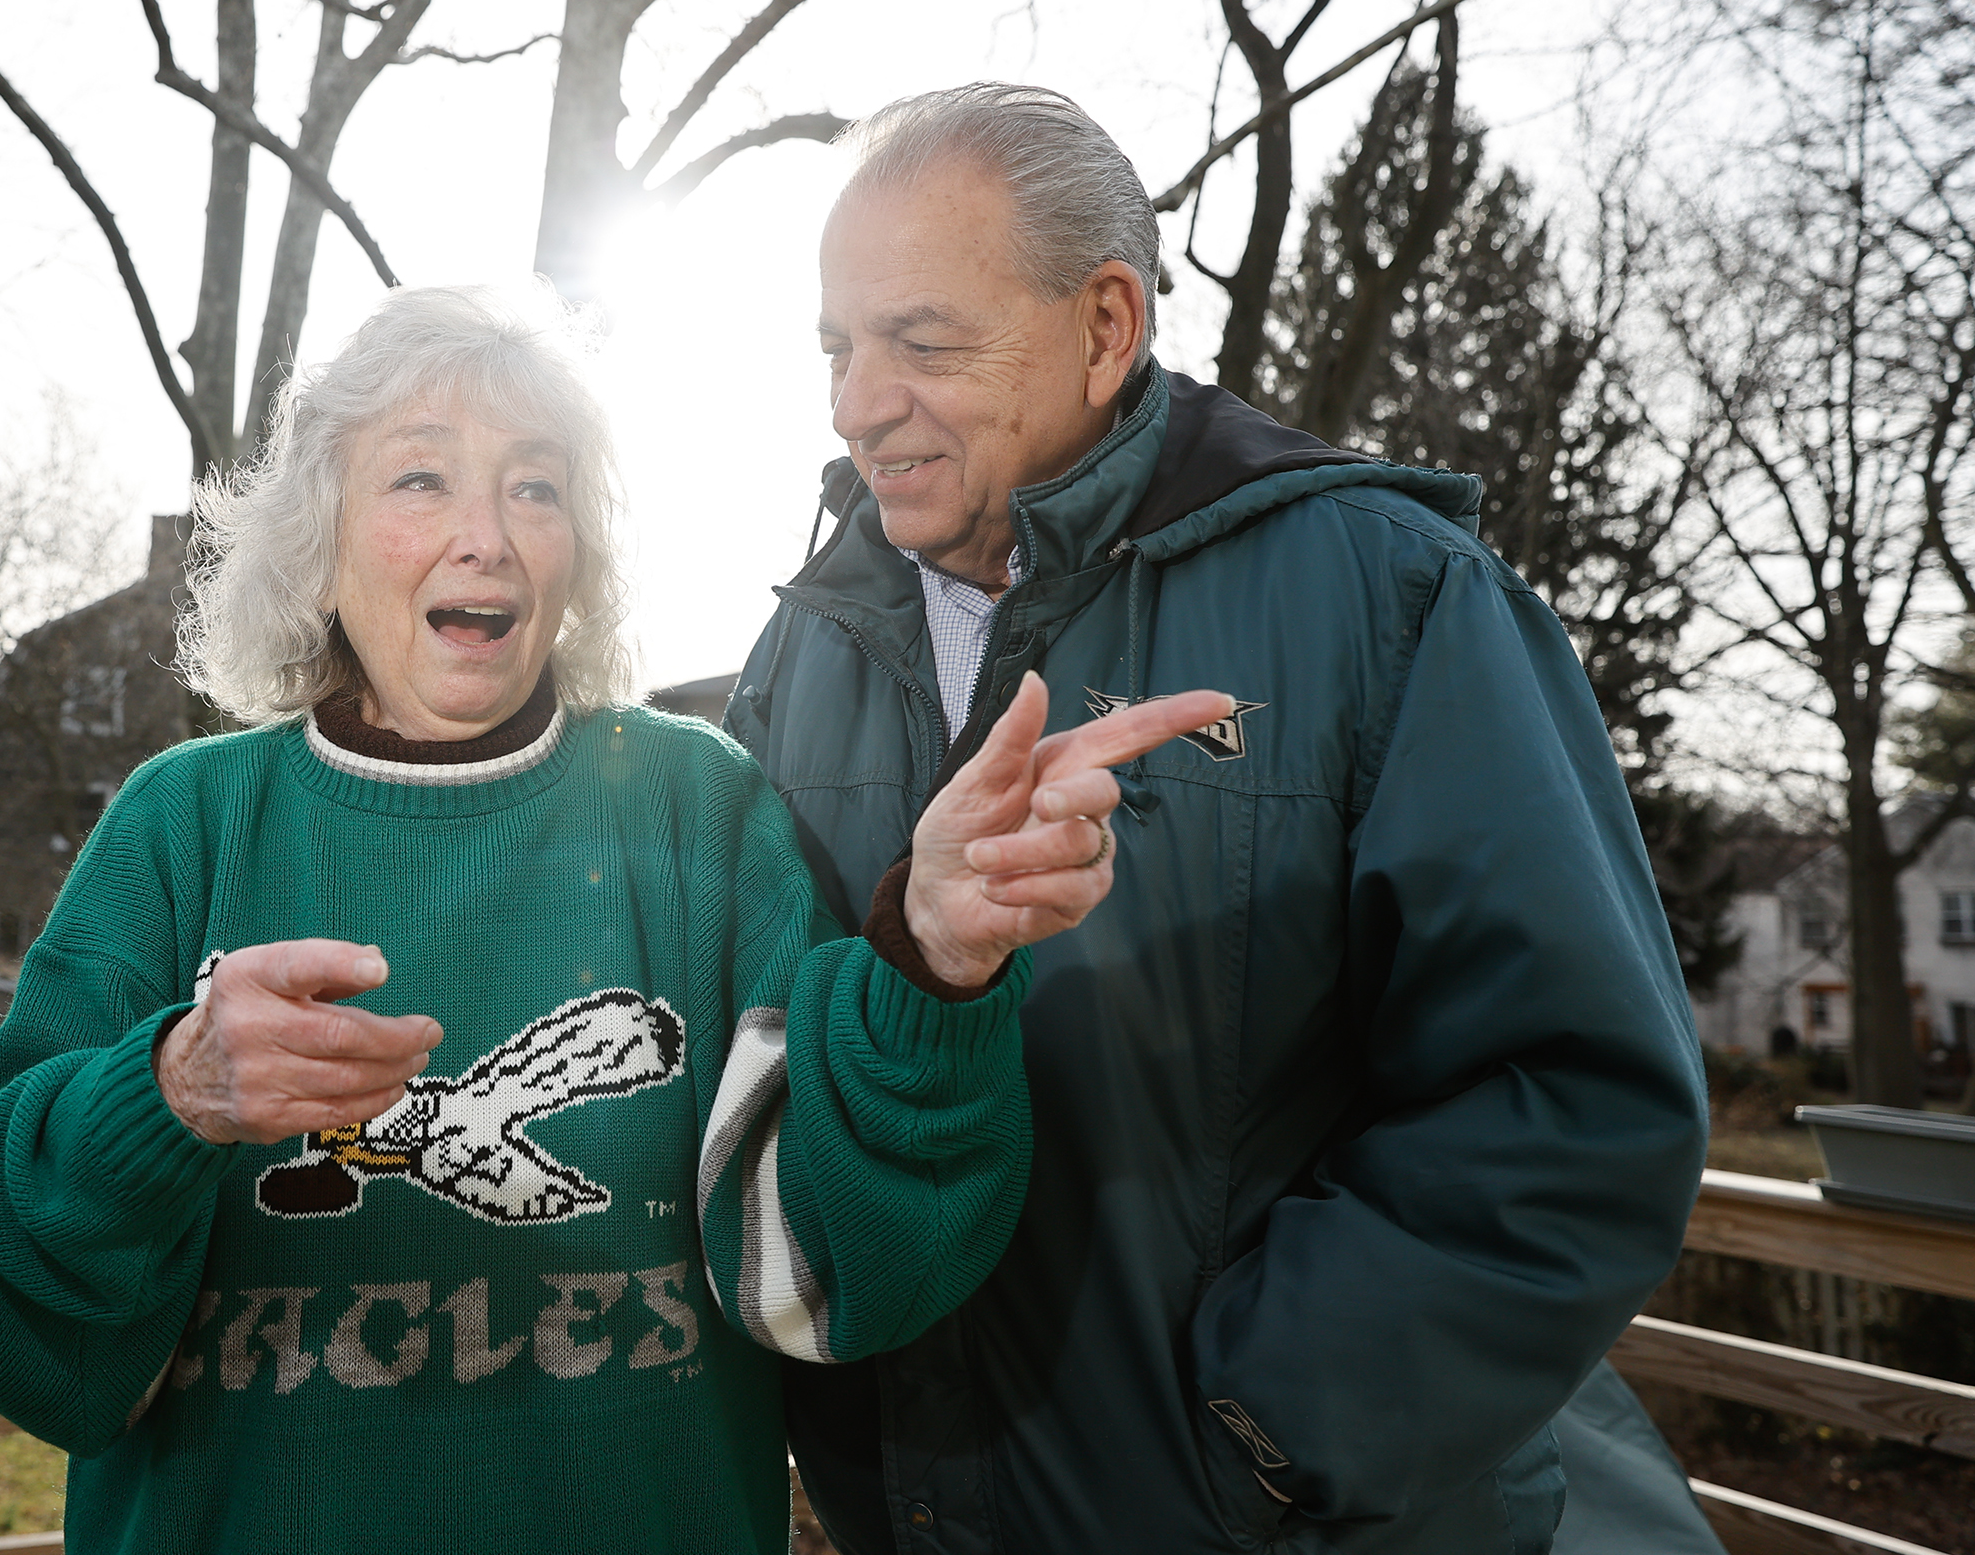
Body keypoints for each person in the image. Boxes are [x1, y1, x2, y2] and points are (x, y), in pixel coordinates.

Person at [0, 285, 1230, 1555]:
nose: (488, 532)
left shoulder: (695, 807)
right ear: (320, 541)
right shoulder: (181, 823)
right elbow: (6, 1305)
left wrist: (933, 968)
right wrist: (169, 1094)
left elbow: (831, 1277)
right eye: (422, 478)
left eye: (534, 485)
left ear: (575, 549)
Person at [726, 84, 1717, 1554]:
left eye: (921, 342)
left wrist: (1265, 1431)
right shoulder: (796, 655)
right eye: (838, 347)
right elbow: (763, 1067)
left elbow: (1573, 1099)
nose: (857, 401)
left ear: (1106, 325)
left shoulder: (1393, 594)